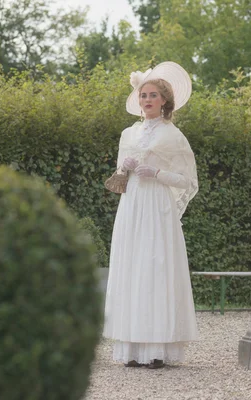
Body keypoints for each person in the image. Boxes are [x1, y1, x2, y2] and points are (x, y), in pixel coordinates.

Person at [102, 62, 199, 369]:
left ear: (164, 101)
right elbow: (118, 178)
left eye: (153, 95)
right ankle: (131, 348)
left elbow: (187, 180)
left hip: (157, 207)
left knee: (155, 269)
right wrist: (124, 167)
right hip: (132, 206)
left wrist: (158, 173)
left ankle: (157, 348)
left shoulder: (174, 136)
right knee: (131, 267)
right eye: (143, 95)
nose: (146, 100)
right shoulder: (127, 133)